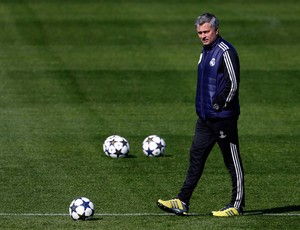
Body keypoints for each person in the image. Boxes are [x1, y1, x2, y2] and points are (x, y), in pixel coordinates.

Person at [157, 13, 245, 217]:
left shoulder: (226, 51)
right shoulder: (205, 51)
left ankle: (237, 205)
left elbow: (233, 83)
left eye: (206, 32)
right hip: (205, 118)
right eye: (199, 33)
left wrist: (220, 103)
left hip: (223, 117)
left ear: (216, 29)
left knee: (232, 161)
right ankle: (182, 201)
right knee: (196, 158)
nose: (203, 36)